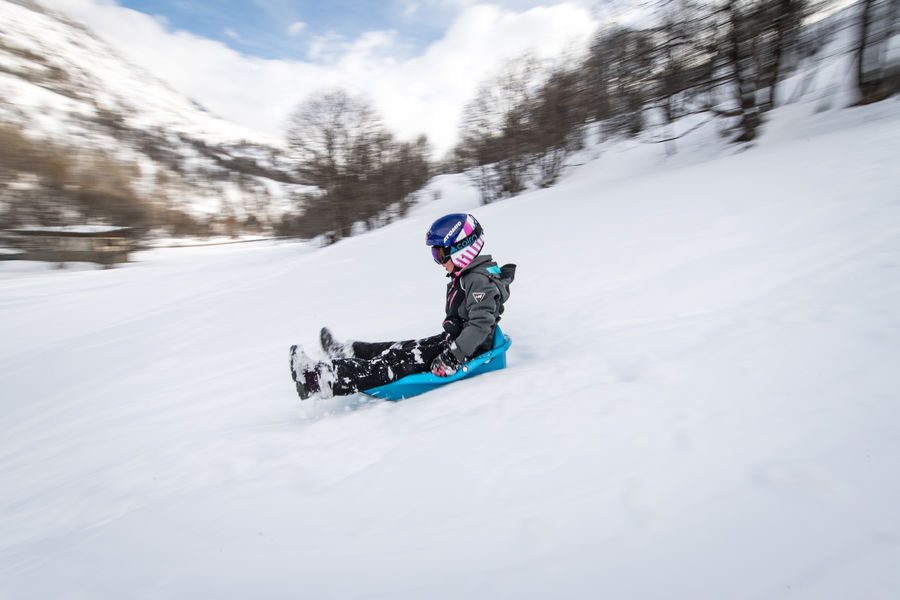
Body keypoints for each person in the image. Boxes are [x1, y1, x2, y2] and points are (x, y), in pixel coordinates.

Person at [289, 213, 515, 400]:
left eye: (440, 254)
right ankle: (347, 351)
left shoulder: (478, 281)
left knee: (394, 362)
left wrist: (452, 358)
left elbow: (481, 324)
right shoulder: (470, 275)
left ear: (462, 249)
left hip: (464, 352)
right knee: (398, 348)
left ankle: (315, 378)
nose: (438, 261)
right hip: (455, 342)